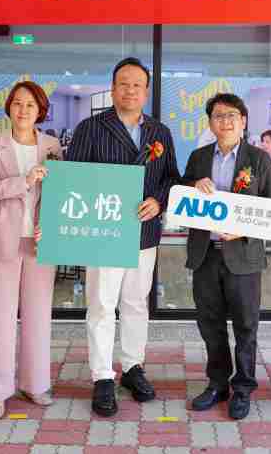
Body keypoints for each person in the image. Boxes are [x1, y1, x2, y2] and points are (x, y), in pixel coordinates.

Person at [67, 57, 179, 417]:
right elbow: (74, 177)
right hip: (104, 231)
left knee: (135, 303)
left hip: (144, 231)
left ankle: (132, 367)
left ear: (146, 92)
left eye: (137, 85)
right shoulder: (91, 127)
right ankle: (102, 375)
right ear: (113, 88)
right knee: (102, 305)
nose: (130, 90)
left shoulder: (160, 132)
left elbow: (171, 177)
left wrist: (157, 201)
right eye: (123, 83)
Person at [181, 93, 271, 420]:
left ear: (243, 121)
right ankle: (217, 383)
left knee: (246, 325)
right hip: (206, 254)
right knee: (210, 324)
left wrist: (244, 230)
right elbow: (181, 191)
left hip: (243, 255)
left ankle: (243, 387)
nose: (225, 121)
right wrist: (194, 184)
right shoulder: (198, 158)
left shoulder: (258, 159)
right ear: (210, 123)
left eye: (232, 115)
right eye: (218, 116)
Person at [0, 81, 63, 419]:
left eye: (30, 104)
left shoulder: (52, 145)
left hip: (40, 241)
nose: (23, 110)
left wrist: (52, 224)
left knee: (38, 316)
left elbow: (61, 190)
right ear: (8, 108)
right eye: (17, 103)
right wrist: (24, 181)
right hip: (3, 238)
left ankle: (35, 383)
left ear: (40, 110)